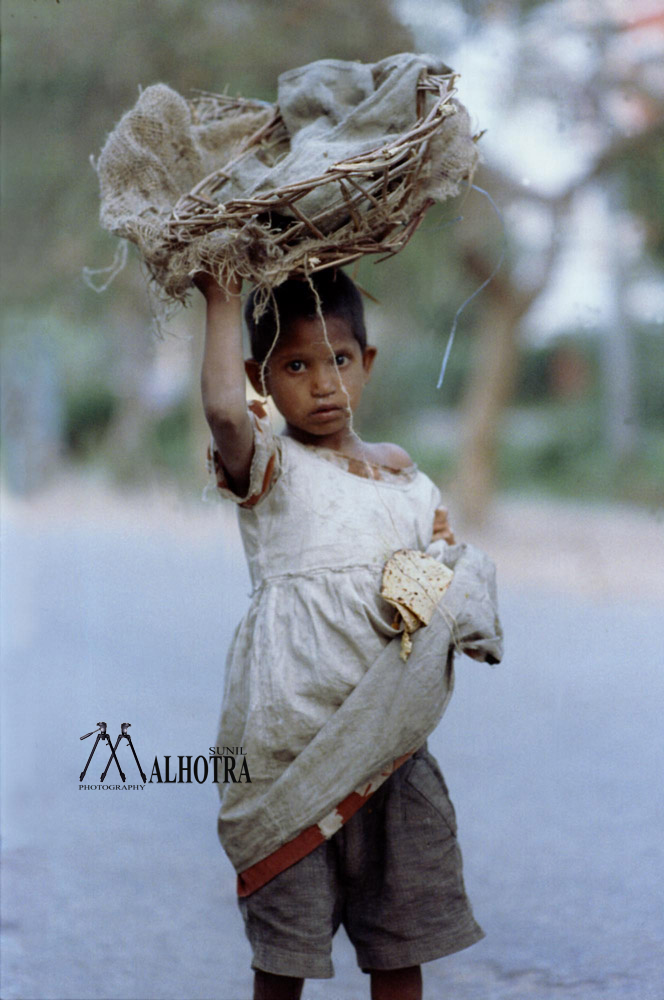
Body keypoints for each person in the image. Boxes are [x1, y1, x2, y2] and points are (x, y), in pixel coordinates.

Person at [197, 268, 492, 1000]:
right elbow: (227, 416)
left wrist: (442, 584)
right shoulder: (270, 464)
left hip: (390, 750)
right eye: (296, 365)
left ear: (369, 362)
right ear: (258, 377)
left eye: (340, 359)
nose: (324, 383)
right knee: (285, 954)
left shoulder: (408, 481)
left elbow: (442, 573)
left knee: (400, 947)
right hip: (289, 747)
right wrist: (222, 299)